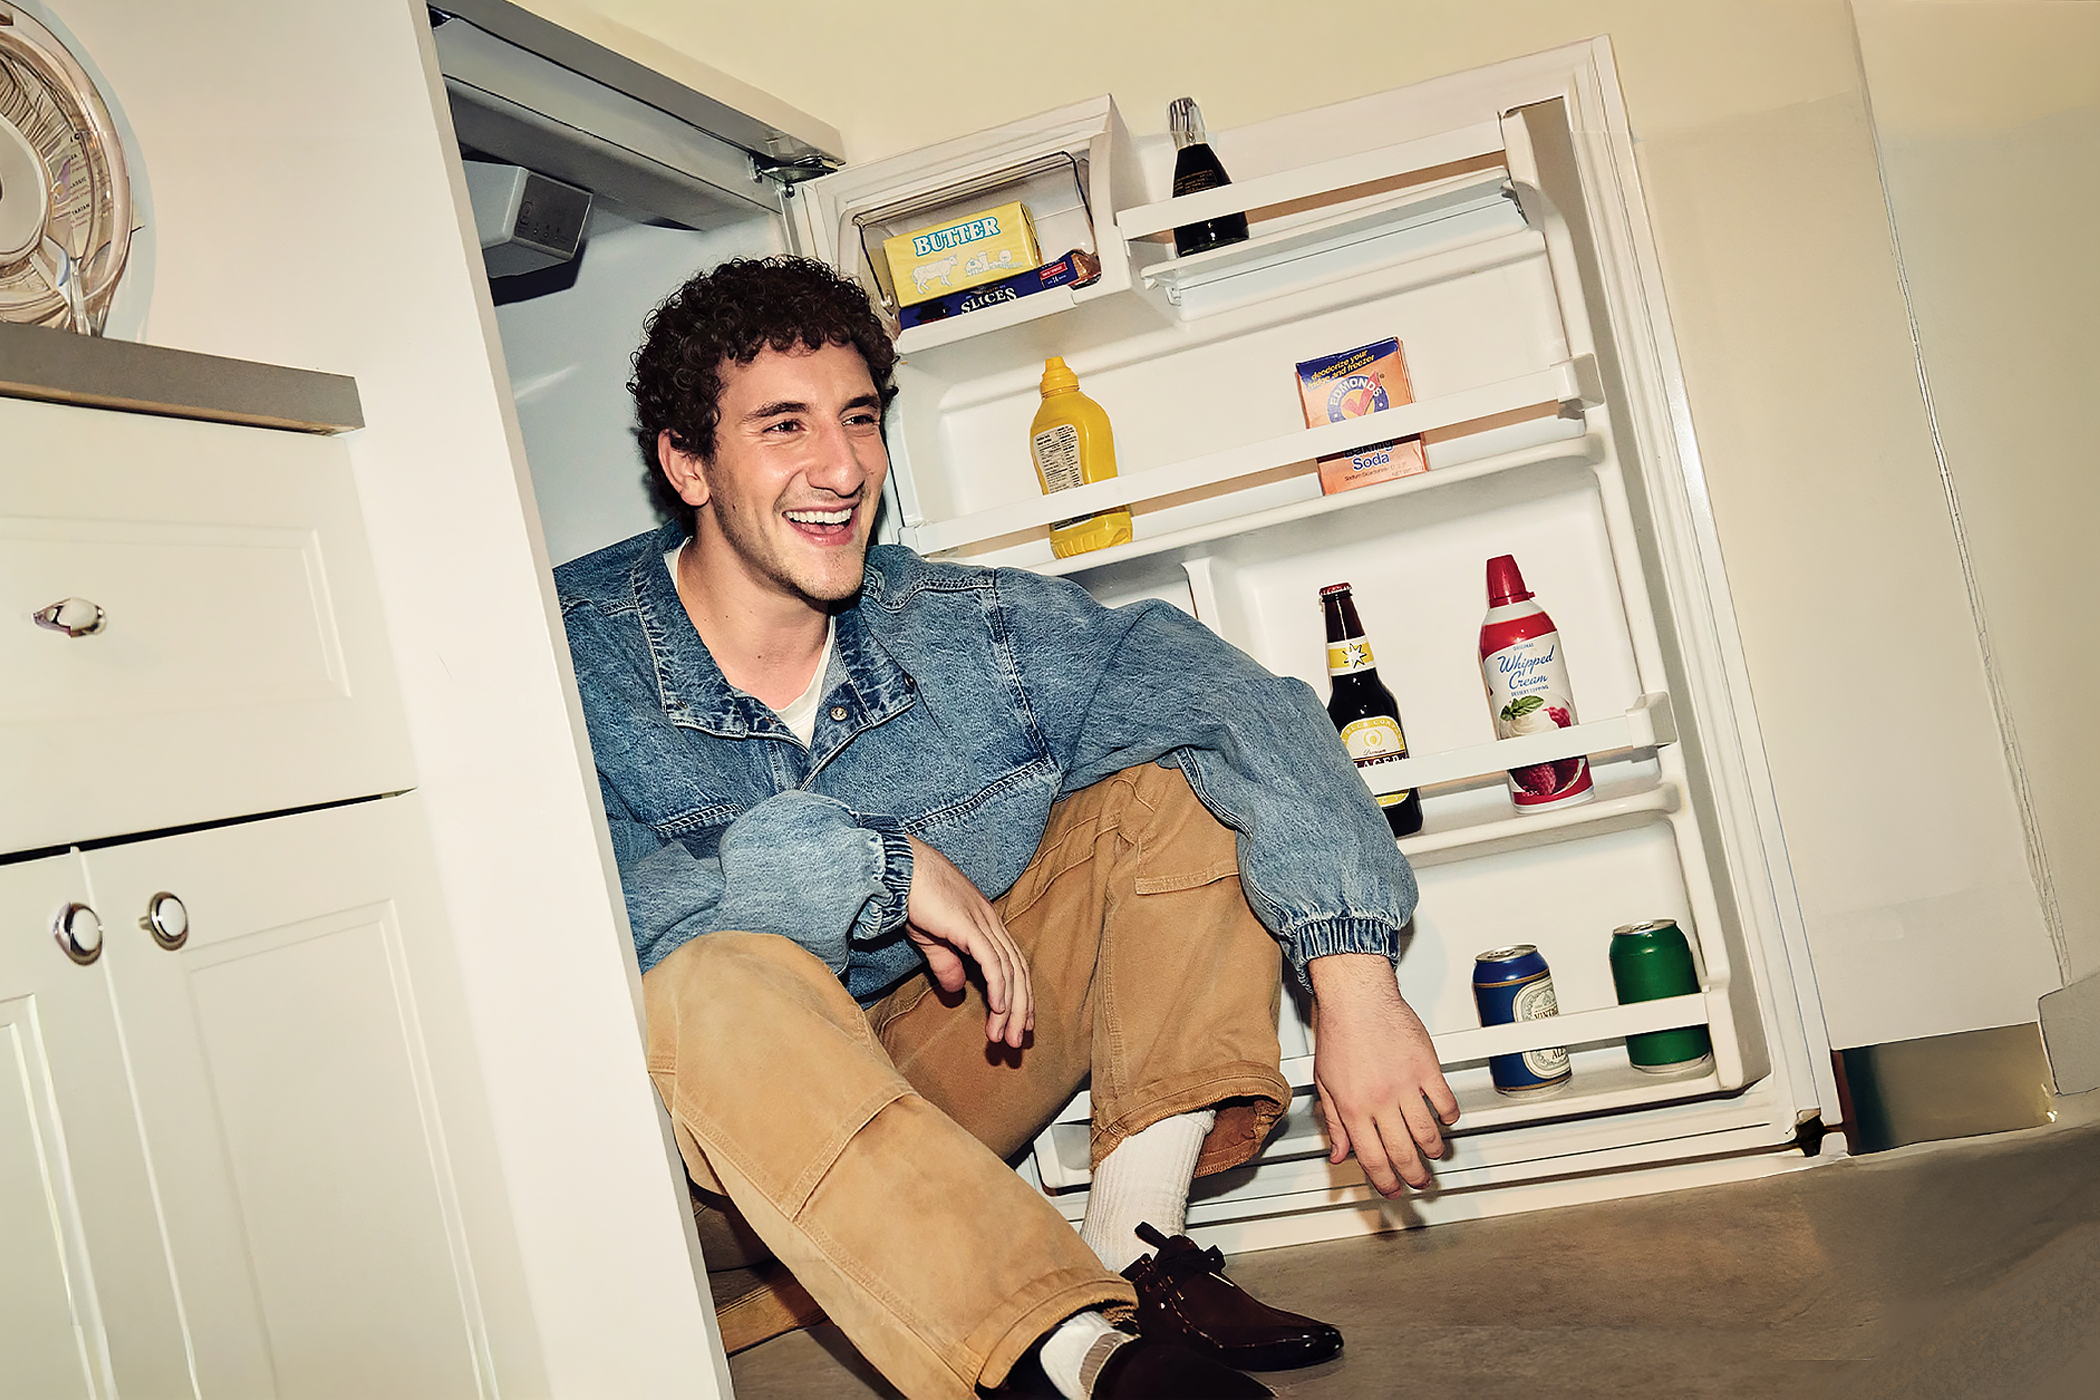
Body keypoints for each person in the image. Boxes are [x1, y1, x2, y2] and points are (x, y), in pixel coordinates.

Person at [555, 256, 1459, 1400]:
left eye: (860, 420)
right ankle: (1067, 1354)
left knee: (1174, 781)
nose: (840, 469)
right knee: (711, 979)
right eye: (783, 427)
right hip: (708, 1156)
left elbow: (1240, 705)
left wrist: (1354, 979)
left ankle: (1139, 1262)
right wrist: (872, 863)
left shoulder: (965, 631)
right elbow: (573, 924)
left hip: (934, 1074)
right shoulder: (568, 654)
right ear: (687, 461)